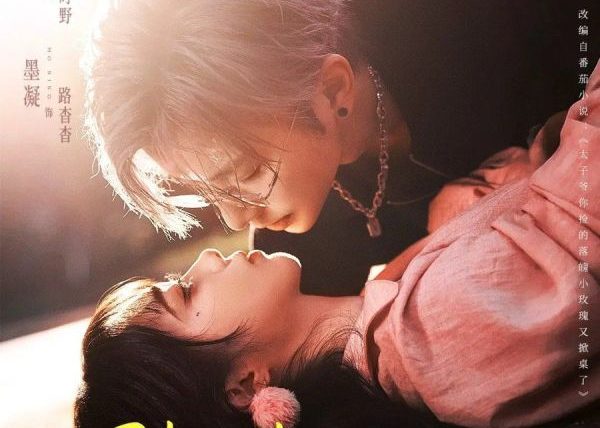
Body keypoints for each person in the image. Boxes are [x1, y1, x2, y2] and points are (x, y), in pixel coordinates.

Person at [75, 60, 600, 425]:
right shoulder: (429, 331)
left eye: (245, 173)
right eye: (186, 292)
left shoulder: (400, 313)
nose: (209, 255)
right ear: (246, 385)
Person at [81, 0, 578, 295]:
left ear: (334, 89)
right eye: (211, 193)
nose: (235, 219)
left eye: (247, 173)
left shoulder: (471, 25)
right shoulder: (292, 251)